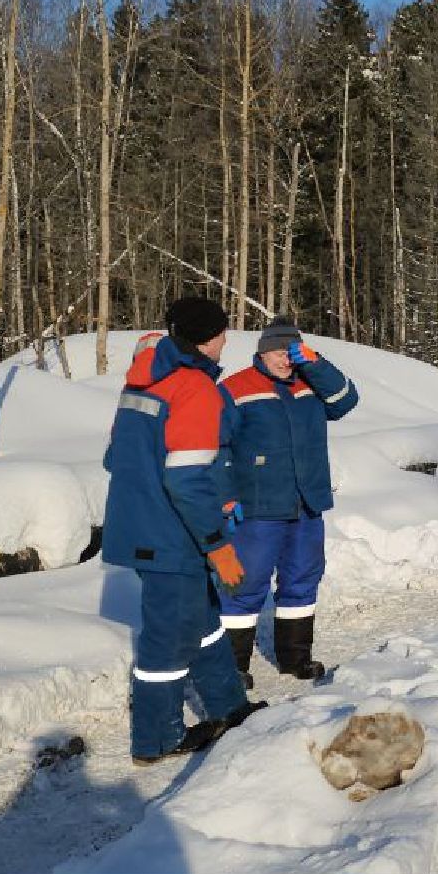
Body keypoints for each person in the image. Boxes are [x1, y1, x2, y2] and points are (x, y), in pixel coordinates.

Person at [102, 295, 264, 765]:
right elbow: (186, 479)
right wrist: (217, 545)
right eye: (221, 332)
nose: (226, 340)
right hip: (172, 535)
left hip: (142, 525)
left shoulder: (146, 381)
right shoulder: (194, 388)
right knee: (168, 637)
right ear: (208, 338)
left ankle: (229, 708)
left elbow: (116, 457)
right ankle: (157, 740)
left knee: (204, 622)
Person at [219, 317, 360, 686]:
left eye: (292, 352)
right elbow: (217, 448)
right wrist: (226, 497)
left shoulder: (310, 382)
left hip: (307, 501)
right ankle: (232, 667)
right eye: (280, 352)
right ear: (262, 352)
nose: (286, 359)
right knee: (245, 584)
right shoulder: (236, 388)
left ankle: (296, 658)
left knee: (302, 578)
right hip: (258, 506)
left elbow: (347, 401)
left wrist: (316, 363)